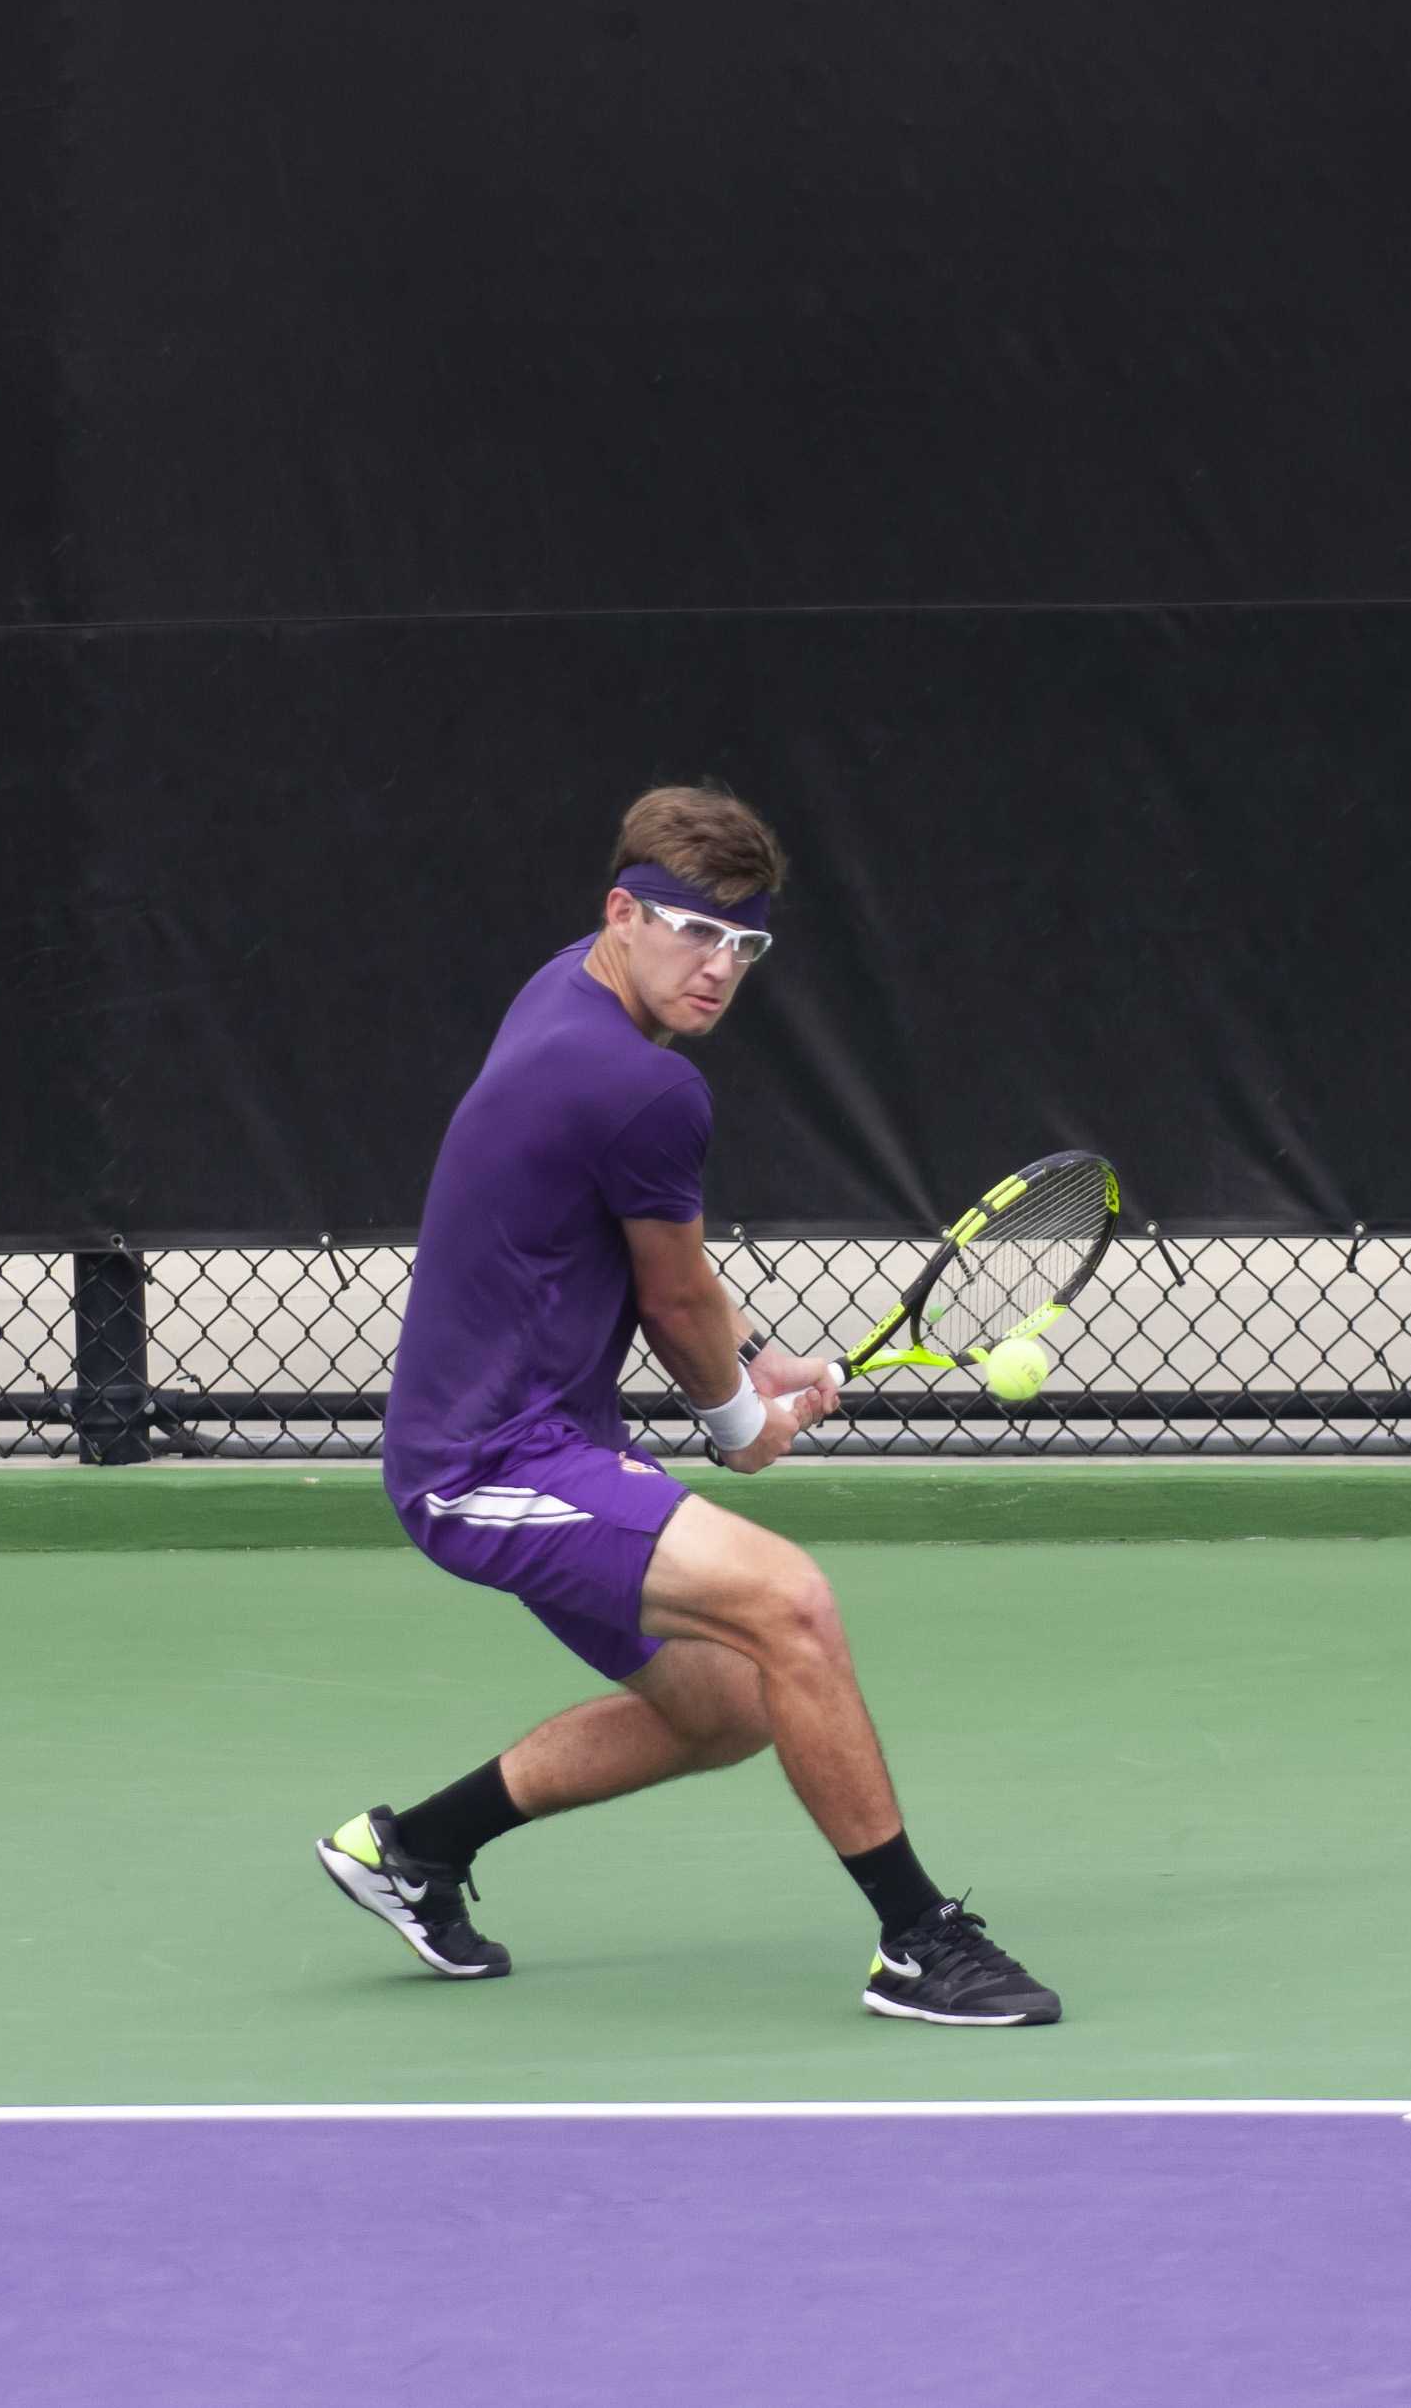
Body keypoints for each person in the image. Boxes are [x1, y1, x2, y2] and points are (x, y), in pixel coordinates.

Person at [315, 783, 1059, 2025]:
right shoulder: (651, 1087)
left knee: (722, 1705)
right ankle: (919, 1938)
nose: (721, 969)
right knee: (793, 1605)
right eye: (695, 932)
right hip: (484, 1458)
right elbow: (669, 1300)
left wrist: (750, 1353)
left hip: (549, 1431)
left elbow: (671, 1278)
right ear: (624, 911)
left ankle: (415, 1852)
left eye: (746, 945)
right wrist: (741, 1426)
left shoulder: (569, 990)